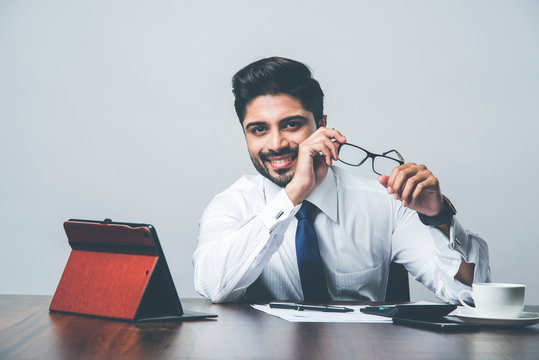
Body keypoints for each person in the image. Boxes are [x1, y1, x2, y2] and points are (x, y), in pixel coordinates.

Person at [193, 56, 489, 303]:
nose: (275, 144)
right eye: (258, 129)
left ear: (322, 125)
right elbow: (214, 287)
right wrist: (295, 193)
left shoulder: (386, 204)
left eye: (292, 125)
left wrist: (438, 218)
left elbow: (472, 294)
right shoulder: (232, 205)